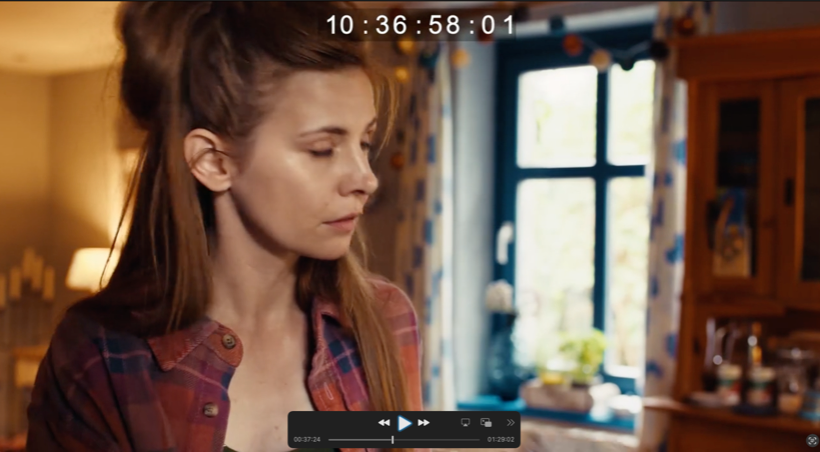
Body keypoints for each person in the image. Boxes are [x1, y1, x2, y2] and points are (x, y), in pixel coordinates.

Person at [26, 2, 423, 452]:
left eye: (365, 142)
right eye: (322, 149)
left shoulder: (386, 320)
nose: (366, 179)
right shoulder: (100, 355)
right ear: (213, 161)